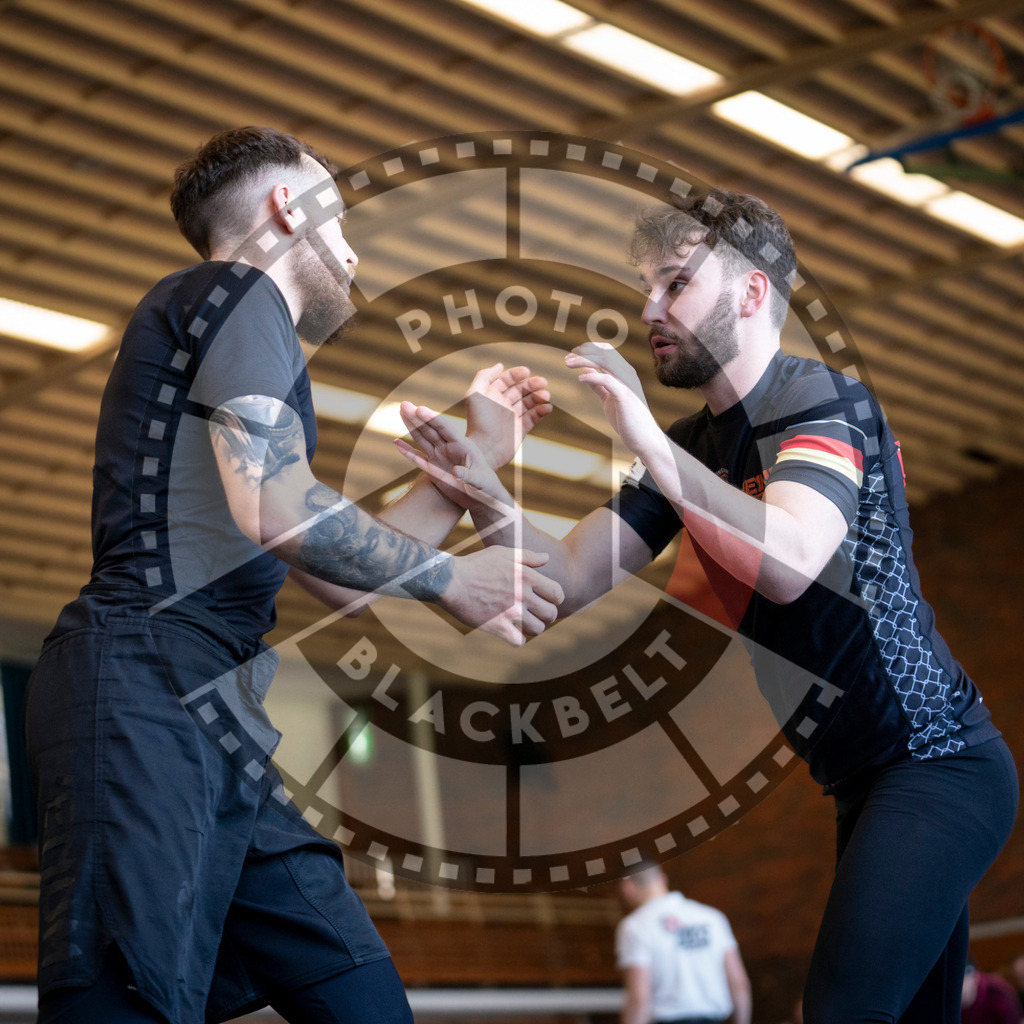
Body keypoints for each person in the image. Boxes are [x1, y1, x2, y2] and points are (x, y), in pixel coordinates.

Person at [397, 188, 1018, 1023]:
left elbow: (792, 560)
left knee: (840, 1009)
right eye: (646, 286)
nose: (649, 308)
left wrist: (645, 438)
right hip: (863, 782)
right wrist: (481, 492)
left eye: (676, 284)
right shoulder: (692, 447)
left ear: (753, 292)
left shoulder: (821, 403)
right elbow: (566, 580)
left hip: (939, 763)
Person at [24, 126, 563, 1024]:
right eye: (340, 216)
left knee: (360, 999)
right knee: (127, 1000)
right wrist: (449, 579)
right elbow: (275, 505)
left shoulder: (240, 334)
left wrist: (470, 467)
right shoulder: (232, 294)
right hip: (141, 685)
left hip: (215, 707)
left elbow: (328, 568)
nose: (353, 249)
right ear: (288, 207)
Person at [616, 862, 751, 1024]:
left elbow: (639, 999)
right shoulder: (713, 918)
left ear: (627, 887)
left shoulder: (635, 926)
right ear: (662, 878)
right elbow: (740, 985)